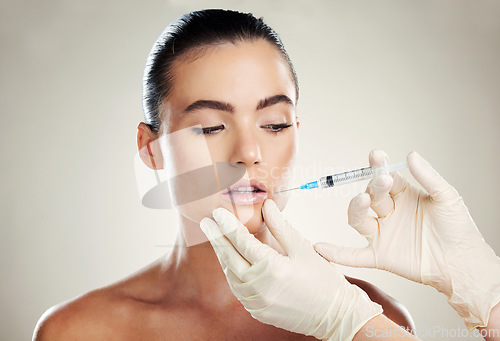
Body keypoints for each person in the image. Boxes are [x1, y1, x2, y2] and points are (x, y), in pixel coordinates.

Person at [33, 9, 415, 340]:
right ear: (151, 148)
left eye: (275, 124)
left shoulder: (371, 322)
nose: (249, 152)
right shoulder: (79, 332)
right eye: (211, 127)